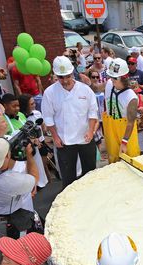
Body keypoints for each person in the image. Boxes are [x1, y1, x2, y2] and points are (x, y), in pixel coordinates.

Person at [42, 56, 98, 188]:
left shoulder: (85, 90)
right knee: (68, 177)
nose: (65, 80)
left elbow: (92, 112)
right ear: (55, 75)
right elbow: (48, 117)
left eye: (67, 76)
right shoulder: (50, 93)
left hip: (86, 138)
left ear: (72, 73)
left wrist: (90, 131)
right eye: (61, 77)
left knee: (90, 174)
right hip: (64, 141)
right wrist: (55, 137)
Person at [104, 59, 139, 163]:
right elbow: (97, 87)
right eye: (110, 76)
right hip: (110, 126)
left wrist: (124, 142)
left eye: (115, 78)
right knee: (112, 159)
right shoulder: (109, 84)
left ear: (123, 77)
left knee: (131, 160)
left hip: (125, 130)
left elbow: (130, 122)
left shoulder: (131, 97)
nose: (111, 79)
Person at [130, 81, 143, 155]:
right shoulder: (126, 98)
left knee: (141, 147)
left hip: (141, 126)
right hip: (130, 126)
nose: (135, 93)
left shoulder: (141, 97)